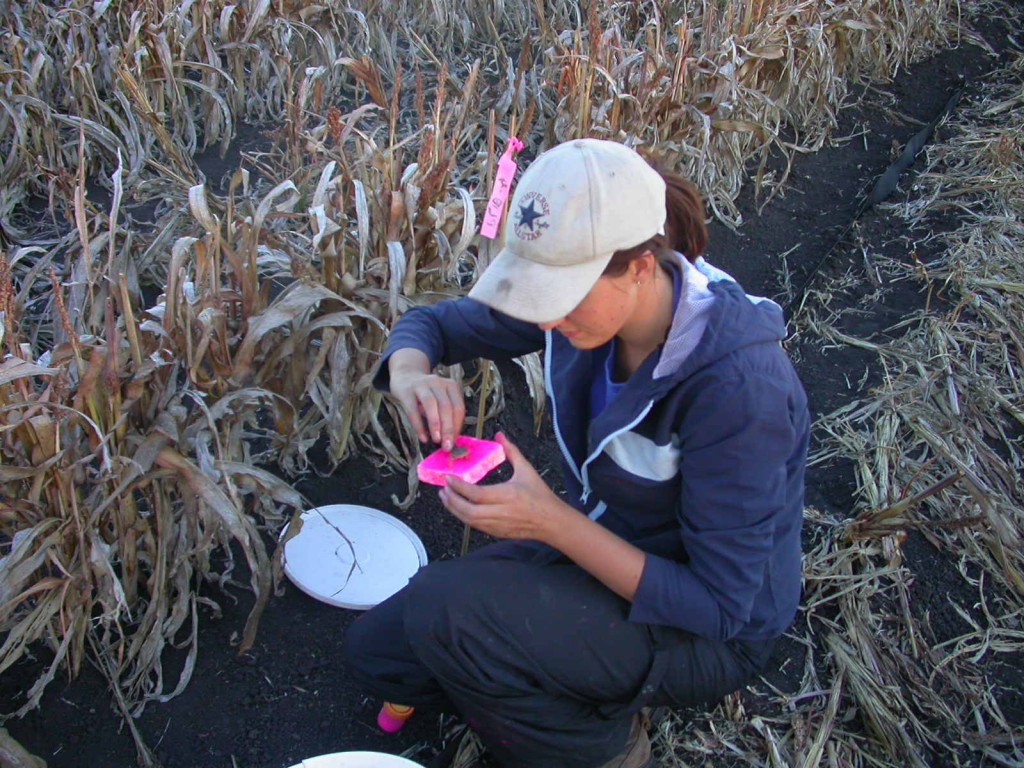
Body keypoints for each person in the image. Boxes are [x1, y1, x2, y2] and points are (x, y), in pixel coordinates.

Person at [343, 138, 809, 768]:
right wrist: (409, 374)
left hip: (704, 629)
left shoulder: (737, 390)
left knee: (444, 612)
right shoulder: (583, 310)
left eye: (558, 295)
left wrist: (549, 522)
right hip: (611, 542)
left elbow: (718, 607)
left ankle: (607, 750)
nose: (544, 317)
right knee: (379, 654)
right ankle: (548, 676)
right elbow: (434, 326)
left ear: (641, 265)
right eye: (535, 293)